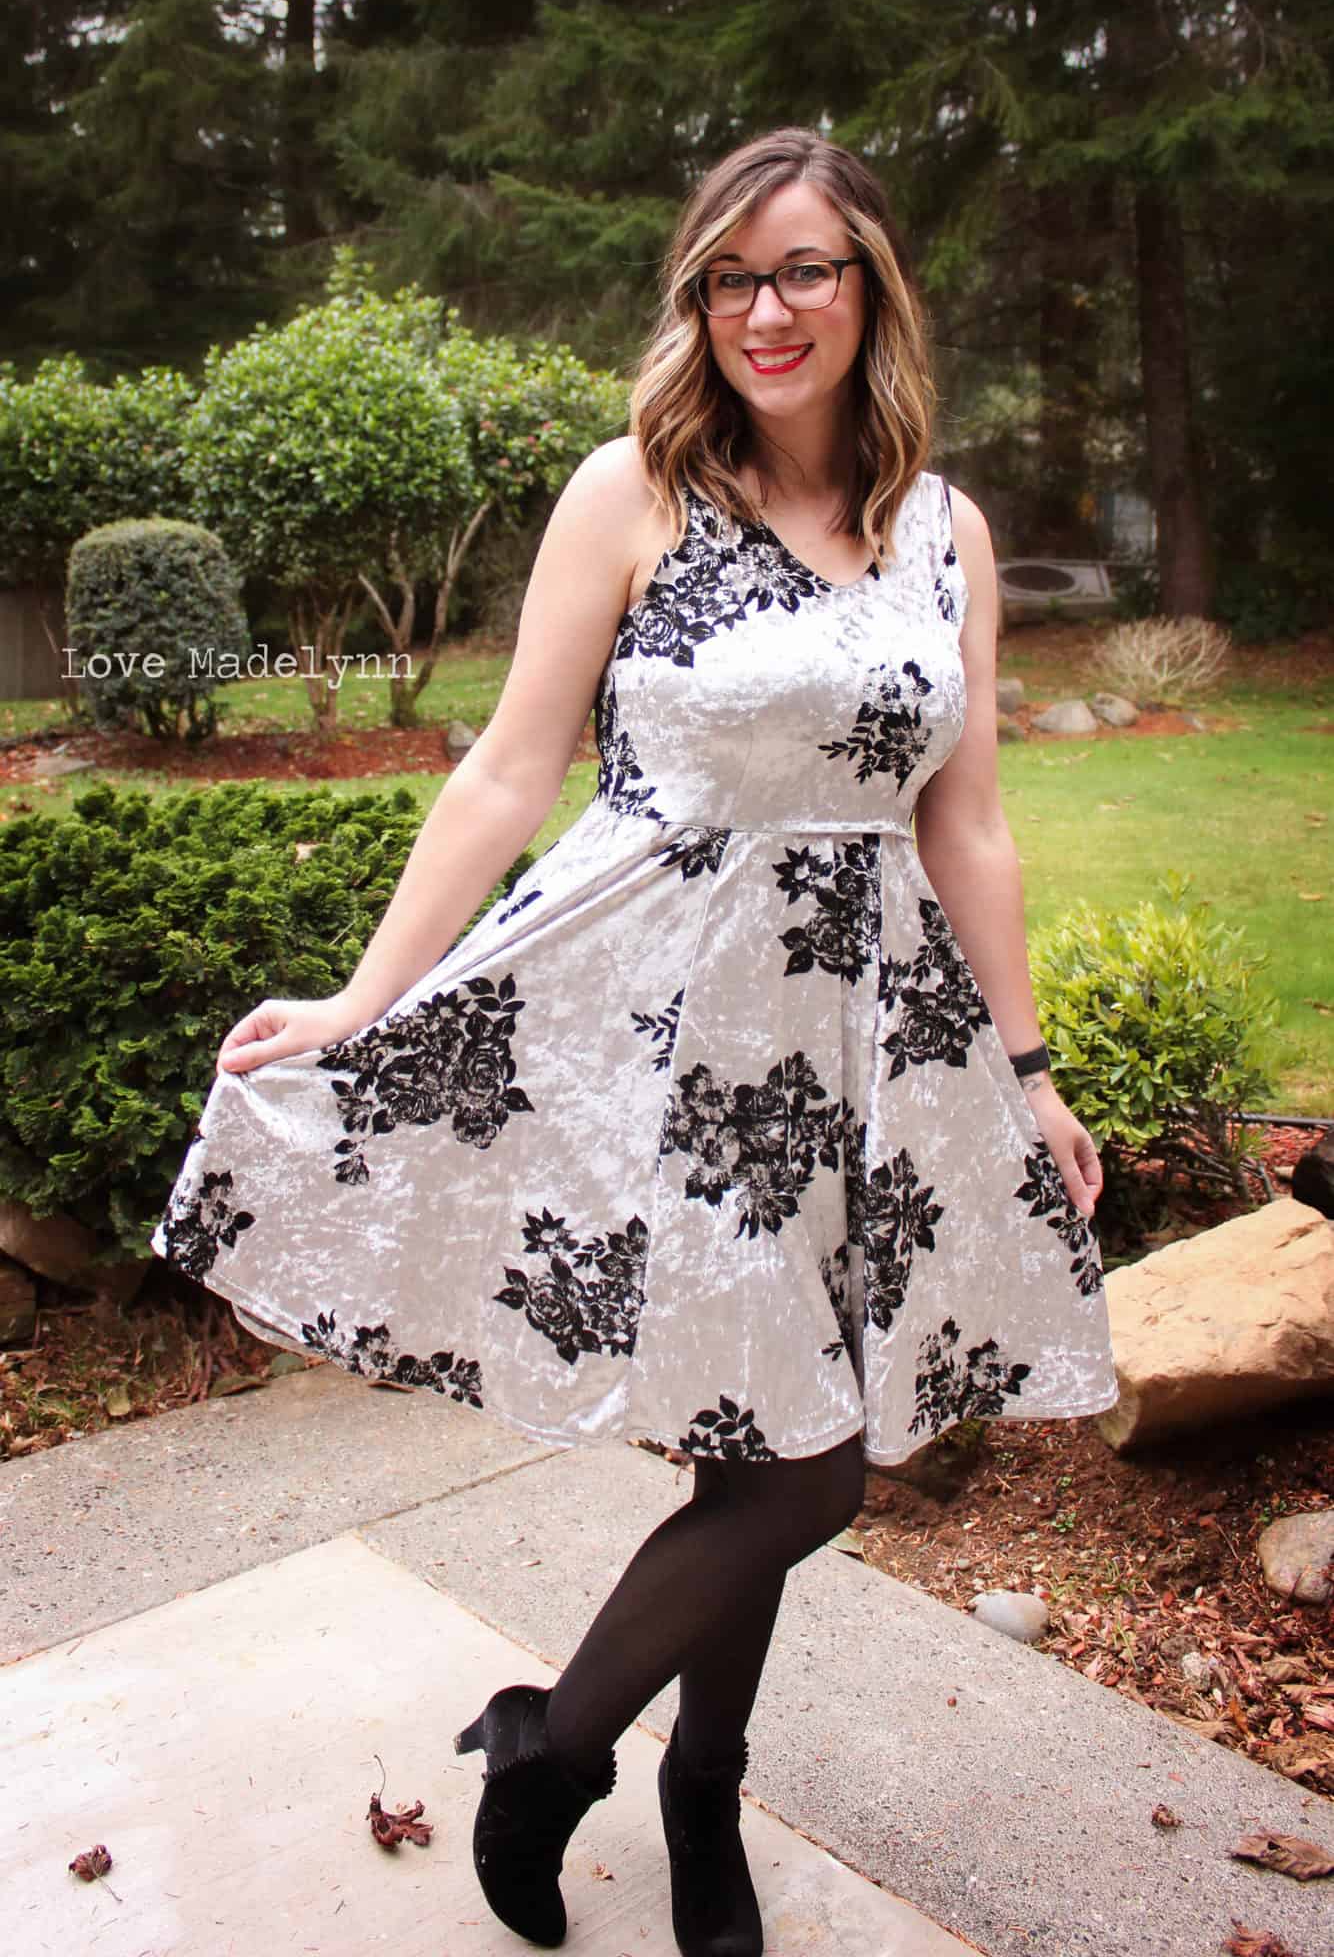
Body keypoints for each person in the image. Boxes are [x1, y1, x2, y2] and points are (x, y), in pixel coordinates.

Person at [150, 126, 1119, 1957]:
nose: (768, 309)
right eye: (731, 276)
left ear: (870, 288)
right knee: (802, 1466)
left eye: (805, 269)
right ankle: (558, 1746)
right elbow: (510, 766)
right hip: (664, 1034)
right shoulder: (635, 489)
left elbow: (967, 818)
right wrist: (362, 1000)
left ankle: (699, 1791)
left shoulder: (944, 528)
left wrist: (1026, 1068)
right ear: (697, 297)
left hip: (864, 1042)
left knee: (765, 1444)